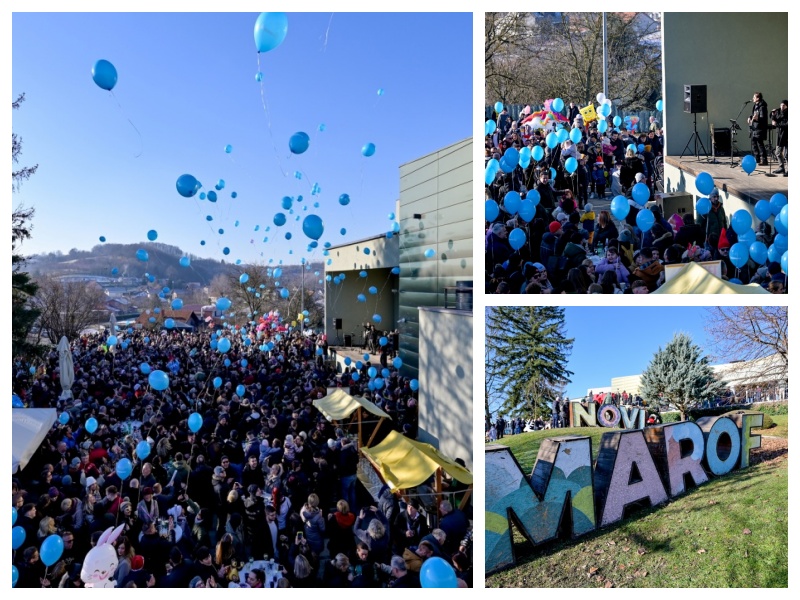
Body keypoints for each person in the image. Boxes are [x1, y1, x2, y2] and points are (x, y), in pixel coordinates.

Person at [747, 92, 769, 166]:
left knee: (760, 144)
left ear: (758, 98)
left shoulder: (762, 106)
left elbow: (762, 117)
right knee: (754, 143)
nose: (753, 98)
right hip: (754, 127)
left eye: (754, 97)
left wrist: (757, 118)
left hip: (759, 128)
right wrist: (750, 118)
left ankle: (764, 160)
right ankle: (757, 159)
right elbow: (753, 114)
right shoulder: (755, 105)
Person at [772, 99, 788, 176]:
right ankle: (781, 167)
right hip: (779, 135)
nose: (782, 107)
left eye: (784, 105)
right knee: (777, 152)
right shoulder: (778, 111)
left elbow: (787, 124)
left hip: (786, 135)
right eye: (781, 105)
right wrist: (772, 115)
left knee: (786, 154)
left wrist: (777, 124)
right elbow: (773, 117)